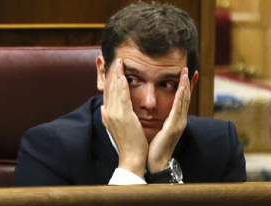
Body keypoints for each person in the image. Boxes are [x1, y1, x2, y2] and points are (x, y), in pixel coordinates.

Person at [14, 2, 246, 186]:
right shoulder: (48, 150)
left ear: (191, 86)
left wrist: (162, 173)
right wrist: (131, 164)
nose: (149, 102)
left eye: (166, 84)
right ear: (102, 73)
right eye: (133, 80)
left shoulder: (219, 148)